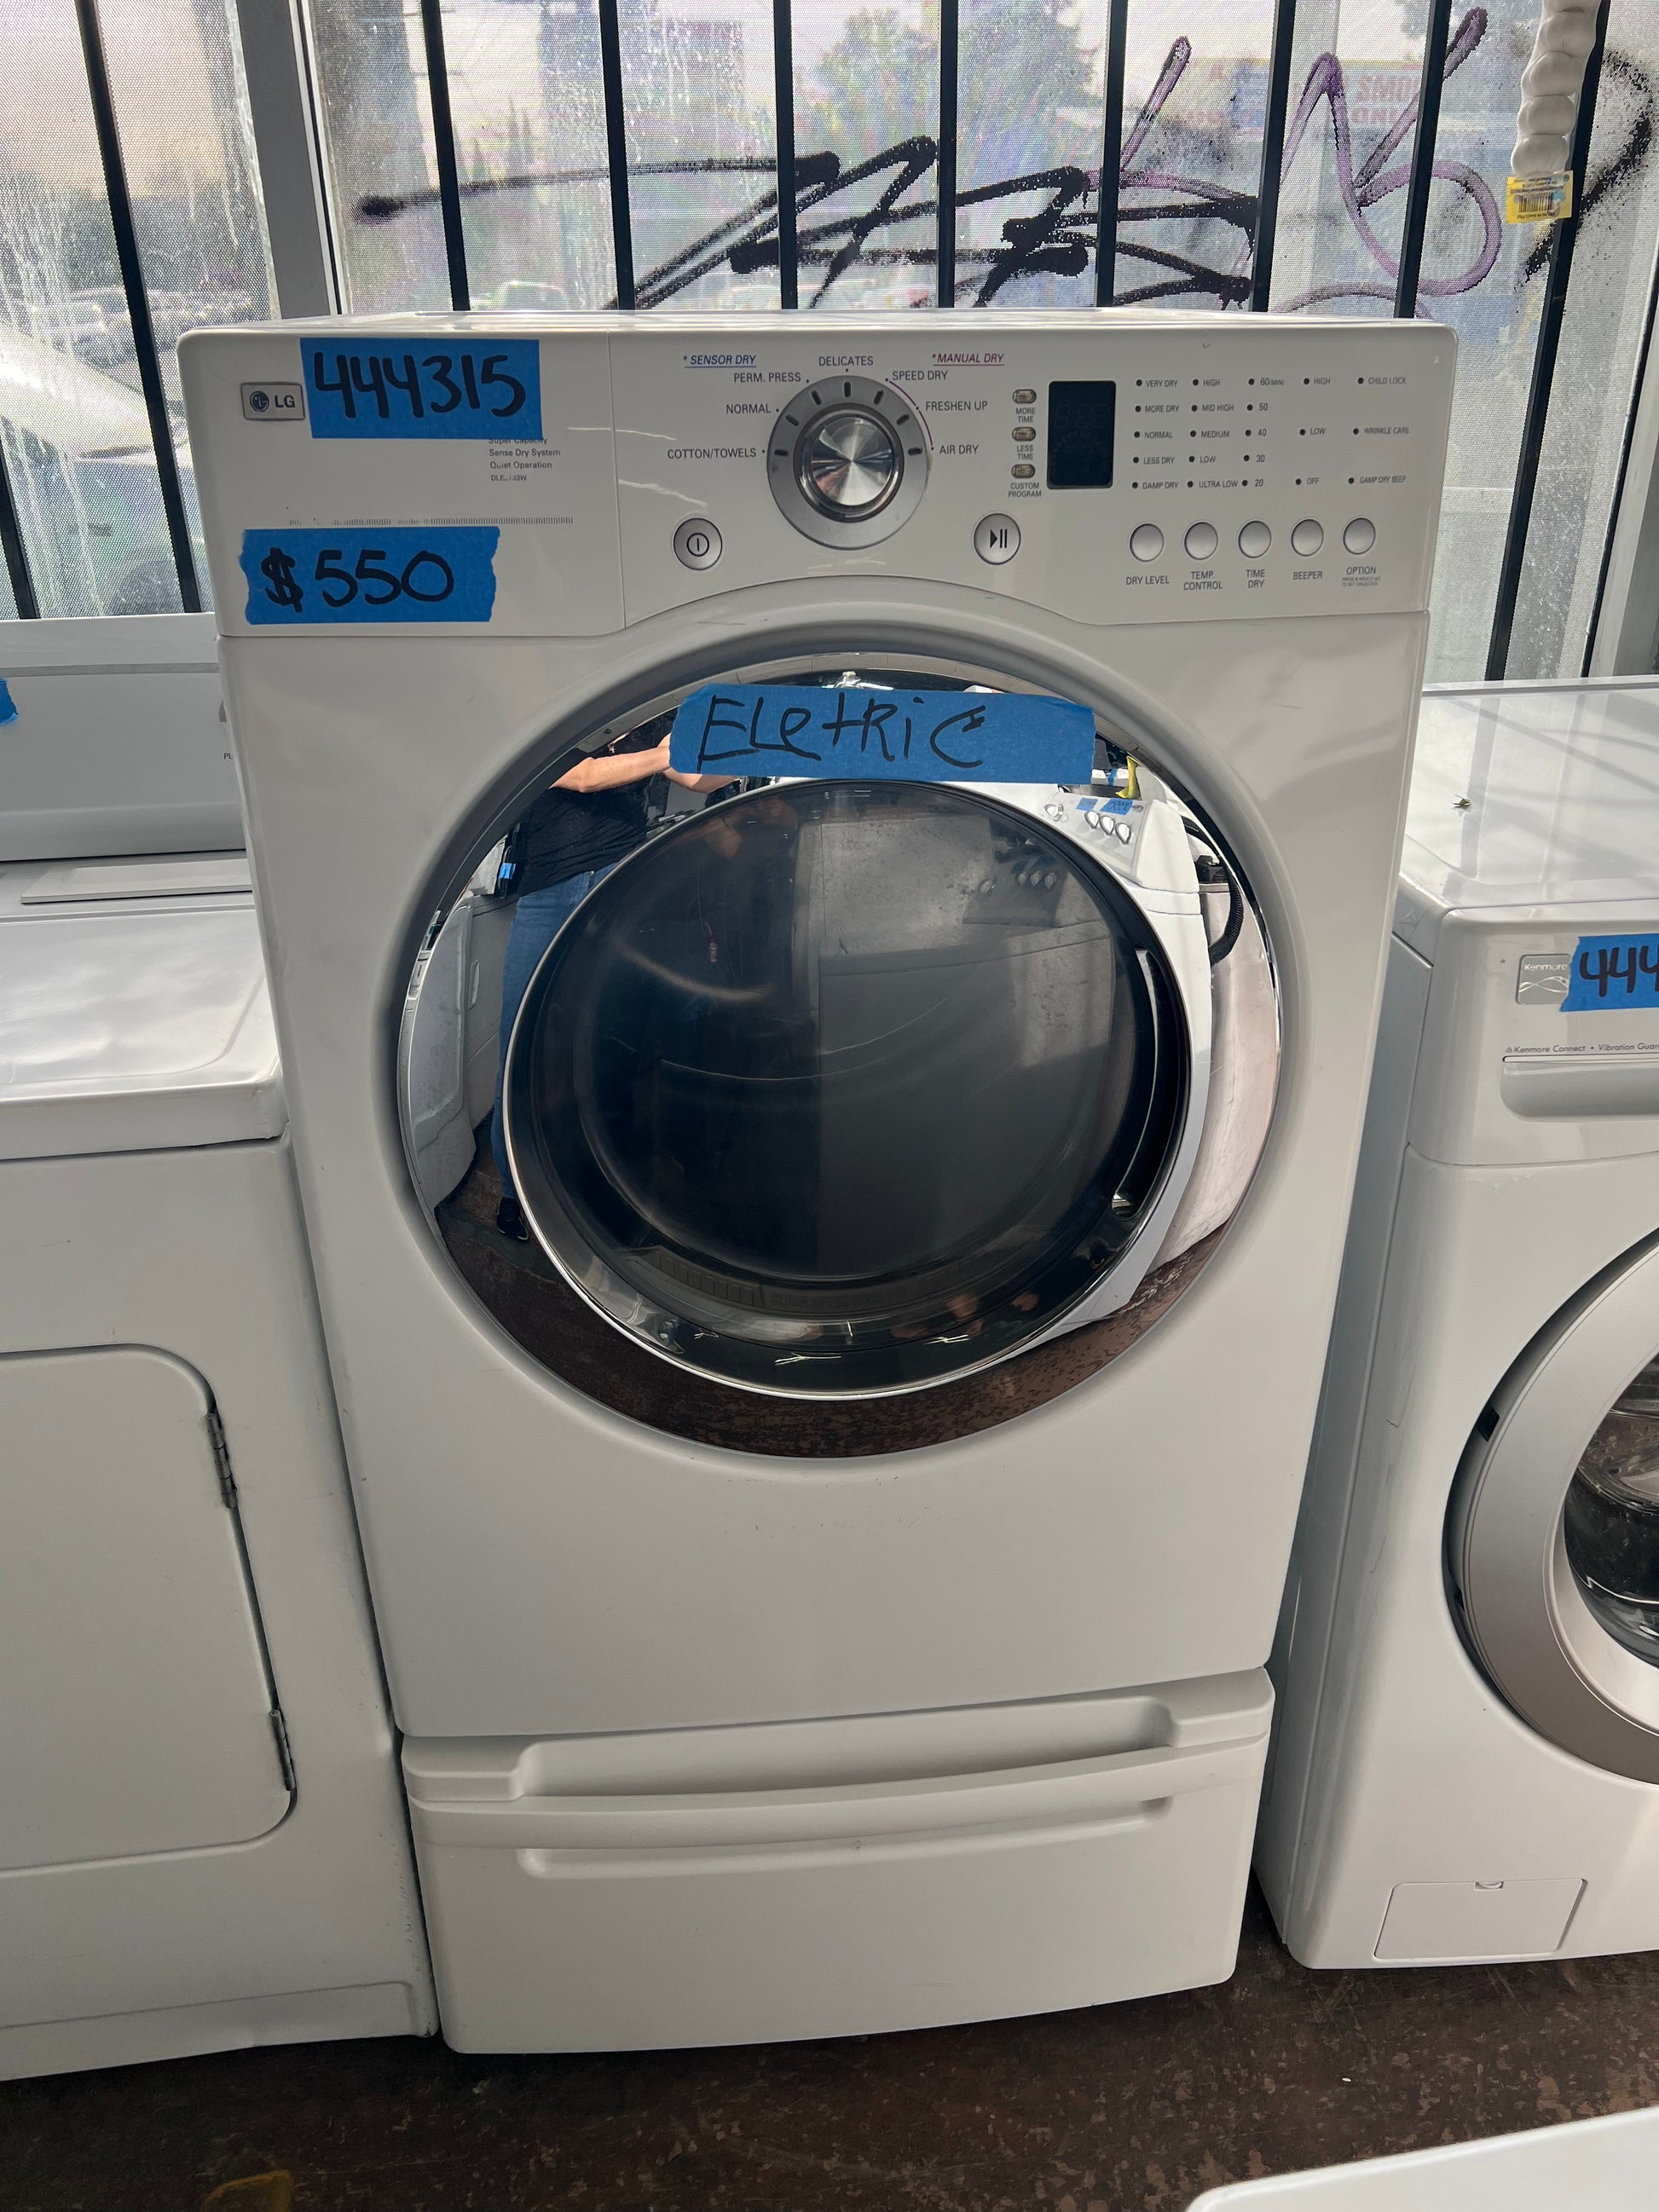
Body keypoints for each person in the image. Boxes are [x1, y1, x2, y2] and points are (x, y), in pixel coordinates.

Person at [489, 715, 732, 1239]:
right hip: (551, 891)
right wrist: (667, 755)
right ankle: (514, 1192)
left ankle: (598, 1189)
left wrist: (767, 749)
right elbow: (582, 776)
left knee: (610, 1044)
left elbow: (697, 779)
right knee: (522, 1042)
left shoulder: (648, 721)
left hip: (623, 889)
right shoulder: (557, 713)